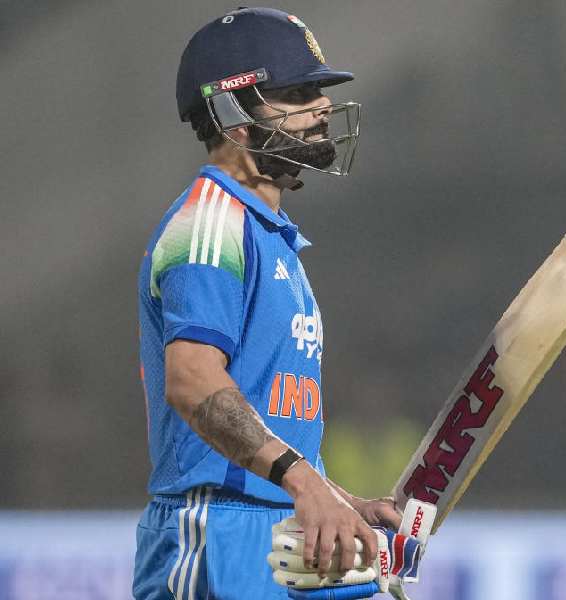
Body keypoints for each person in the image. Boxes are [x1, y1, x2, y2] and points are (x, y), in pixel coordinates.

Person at [133, 8, 400, 599]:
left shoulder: (267, 233)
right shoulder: (211, 224)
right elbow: (193, 381)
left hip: (281, 527)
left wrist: (336, 499)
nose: (323, 107)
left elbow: (268, 410)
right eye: (299, 92)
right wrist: (305, 485)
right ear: (233, 114)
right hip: (217, 531)